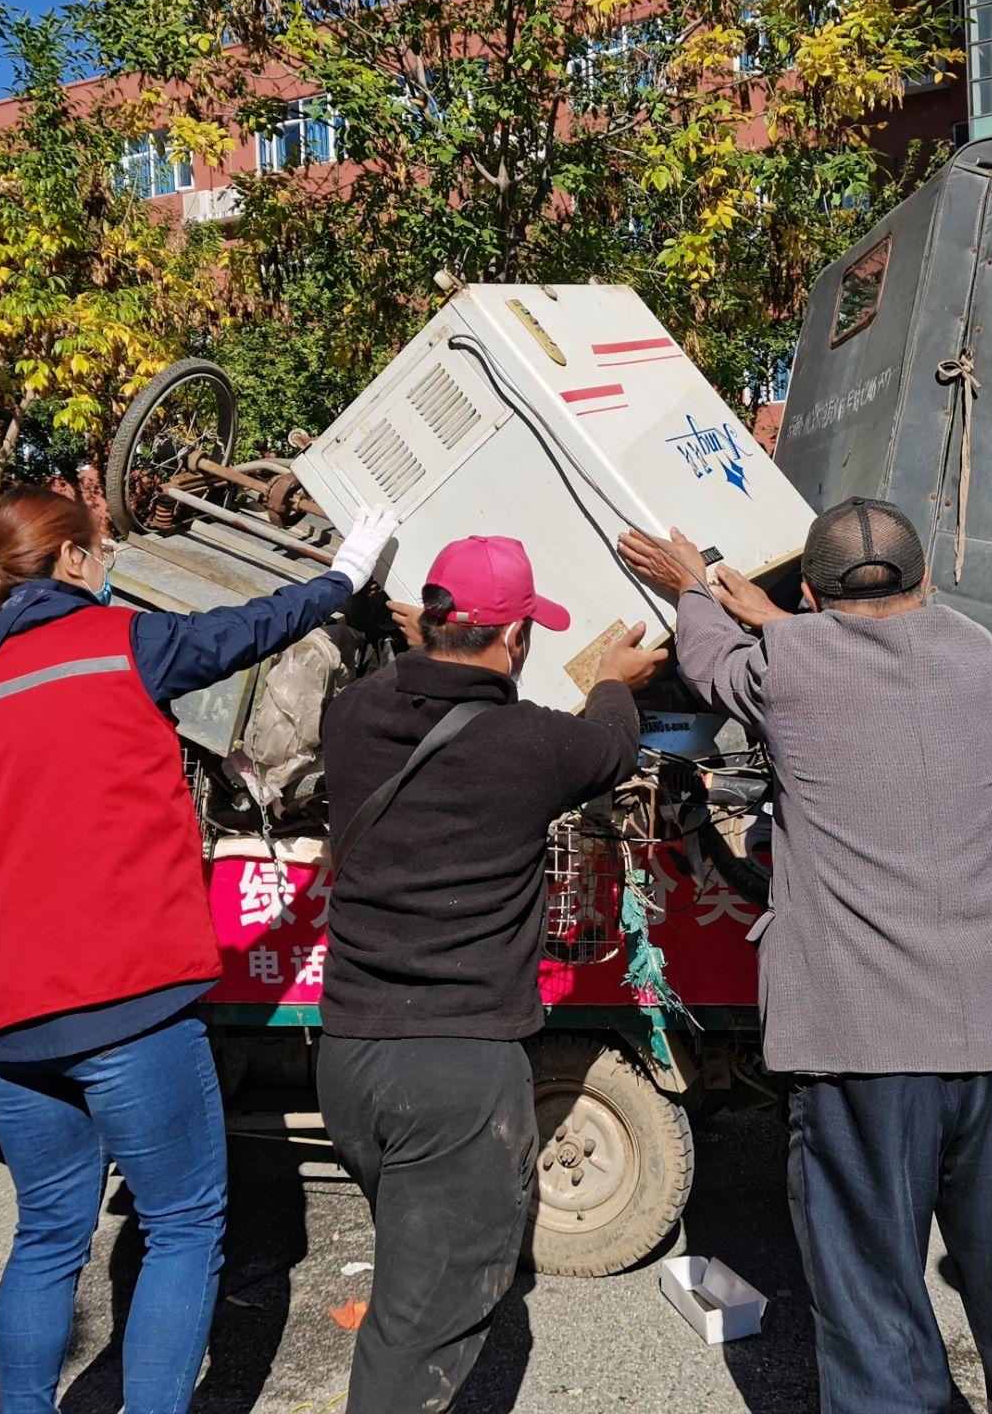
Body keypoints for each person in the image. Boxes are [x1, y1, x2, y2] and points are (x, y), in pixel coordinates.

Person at [0, 485, 396, 1414]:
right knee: (180, 1224)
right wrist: (341, 577)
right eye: (102, 549)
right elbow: (247, 630)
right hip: (125, 1000)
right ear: (76, 561)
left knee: (48, 1233)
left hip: (3, 1014)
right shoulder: (115, 646)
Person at [618, 502, 992, 1414]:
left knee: (874, 1306)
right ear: (929, 584)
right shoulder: (977, 656)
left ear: (807, 593)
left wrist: (691, 581)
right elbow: (854, 649)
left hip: (861, 1044)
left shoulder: (784, 666)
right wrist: (781, 620)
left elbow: (707, 660)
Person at [317, 535, 664, 1414]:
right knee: (419, 1327)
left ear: (429, 619)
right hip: (459, 1072)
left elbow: (406, 685)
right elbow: (612, 746)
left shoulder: (349, 715)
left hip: (351, 1055)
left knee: (409, 1271)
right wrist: (615, 679)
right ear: (515, 640)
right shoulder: (533, 746)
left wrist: (418, 641)